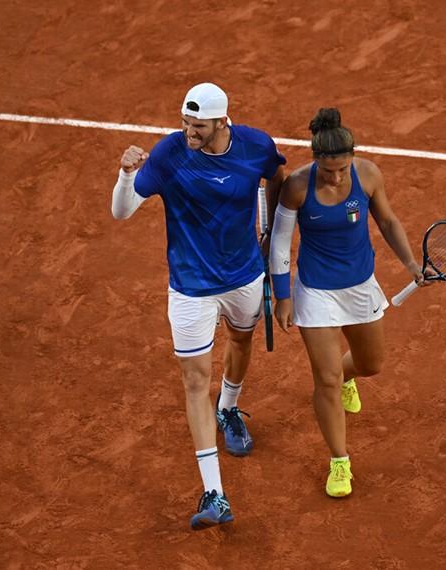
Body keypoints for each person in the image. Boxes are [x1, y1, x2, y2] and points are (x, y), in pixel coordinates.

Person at [111, 82, 286, 529]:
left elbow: (276, 177)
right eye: (185, 123)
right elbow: (121, 212)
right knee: (194, 382)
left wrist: (268, 230)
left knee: (241, 342)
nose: (189, 132)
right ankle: (215, 494)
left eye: (198, 126)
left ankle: (228, 408)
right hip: (190, 287)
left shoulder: (256, 145)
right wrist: (126, 175)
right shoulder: (169, 154)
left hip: (244, 276)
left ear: (223, 122)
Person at [268, 108, 431, 498]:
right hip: (316, 292)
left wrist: (411, 264)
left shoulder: (369, 175)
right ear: (316, 160)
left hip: (360, 287)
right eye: (329, 171)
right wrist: (283, 296)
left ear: (352, 159)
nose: (337, 177)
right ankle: (339, 461)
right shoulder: (297, 186)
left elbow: (387, 221)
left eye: (343, 169)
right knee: (325, 379)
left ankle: (347, 377)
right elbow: (280, 243)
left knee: (371, 364)